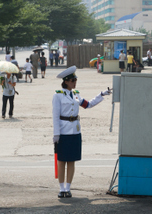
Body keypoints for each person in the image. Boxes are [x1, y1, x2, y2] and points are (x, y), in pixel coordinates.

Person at [52, 66, 111, 198]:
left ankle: (68, 187)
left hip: (75, 131)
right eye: (73, 80)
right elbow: (55, 116)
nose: (75, 82)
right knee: (61, 160)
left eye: (75, 80)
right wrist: (56, 134)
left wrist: (101, 95)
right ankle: (62, 188)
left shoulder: (76, 94)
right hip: (63, 131)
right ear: (66, 81)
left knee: (71, 160)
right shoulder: (58, 96)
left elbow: (88, 105)